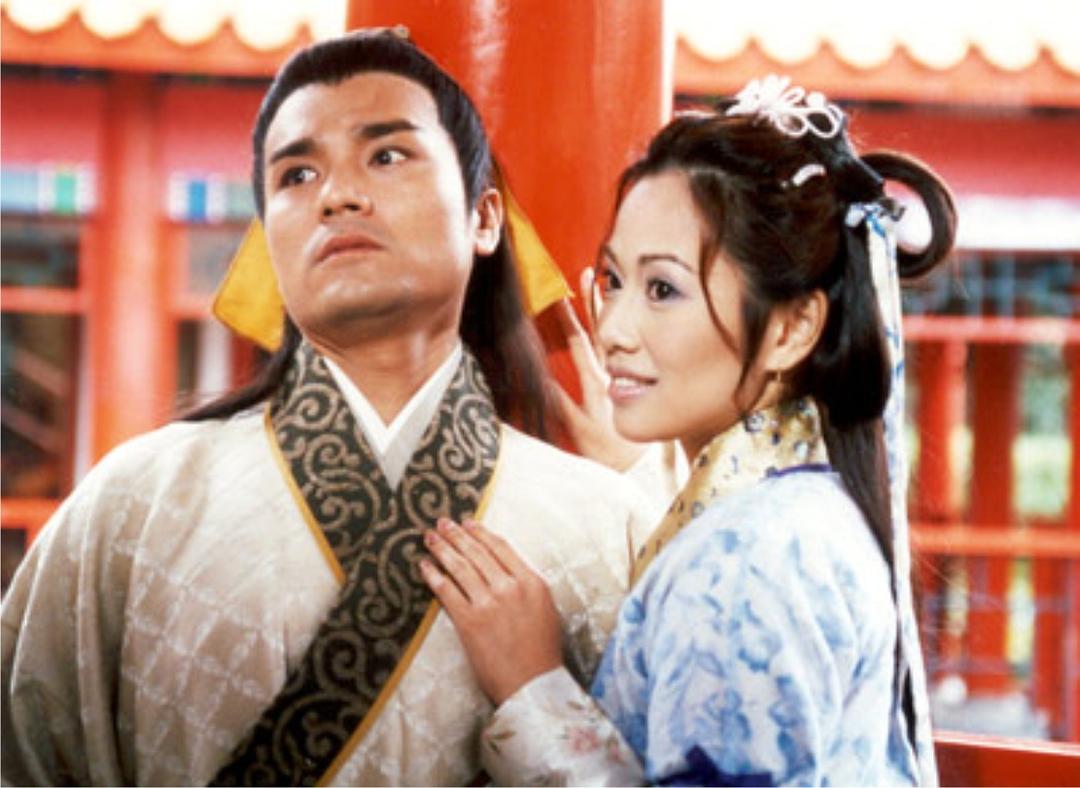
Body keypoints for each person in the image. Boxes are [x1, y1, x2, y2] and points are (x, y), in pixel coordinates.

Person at [0, 29, 661, 786]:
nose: (337, 195)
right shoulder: (135, 504)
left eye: (387, 155)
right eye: (297, 174)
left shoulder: (612, 526)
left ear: (484, 219)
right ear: (268, 245)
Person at [421, 75, 957, 785]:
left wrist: (534, 687)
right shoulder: (799, 515)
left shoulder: (748, 560)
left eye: (663, 290)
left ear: (793, 328)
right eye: (614, 281)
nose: (613, 330)